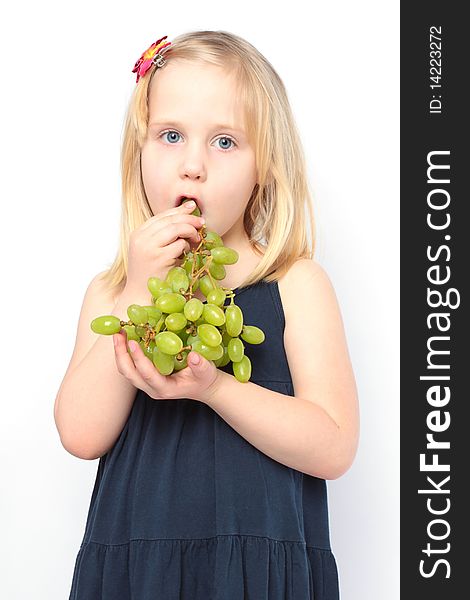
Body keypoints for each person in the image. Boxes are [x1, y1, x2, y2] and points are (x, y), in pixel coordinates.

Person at [54, 30, 359, 600]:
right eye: (171, 136)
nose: (192, 165)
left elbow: (335, 446)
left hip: (257, 577)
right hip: (138, 576)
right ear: (138, 153)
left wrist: (215, 388)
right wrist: (137, 292)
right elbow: (80, 433)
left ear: (265, 165)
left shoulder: (296, 284)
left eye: (224, 142)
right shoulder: (113, 291)